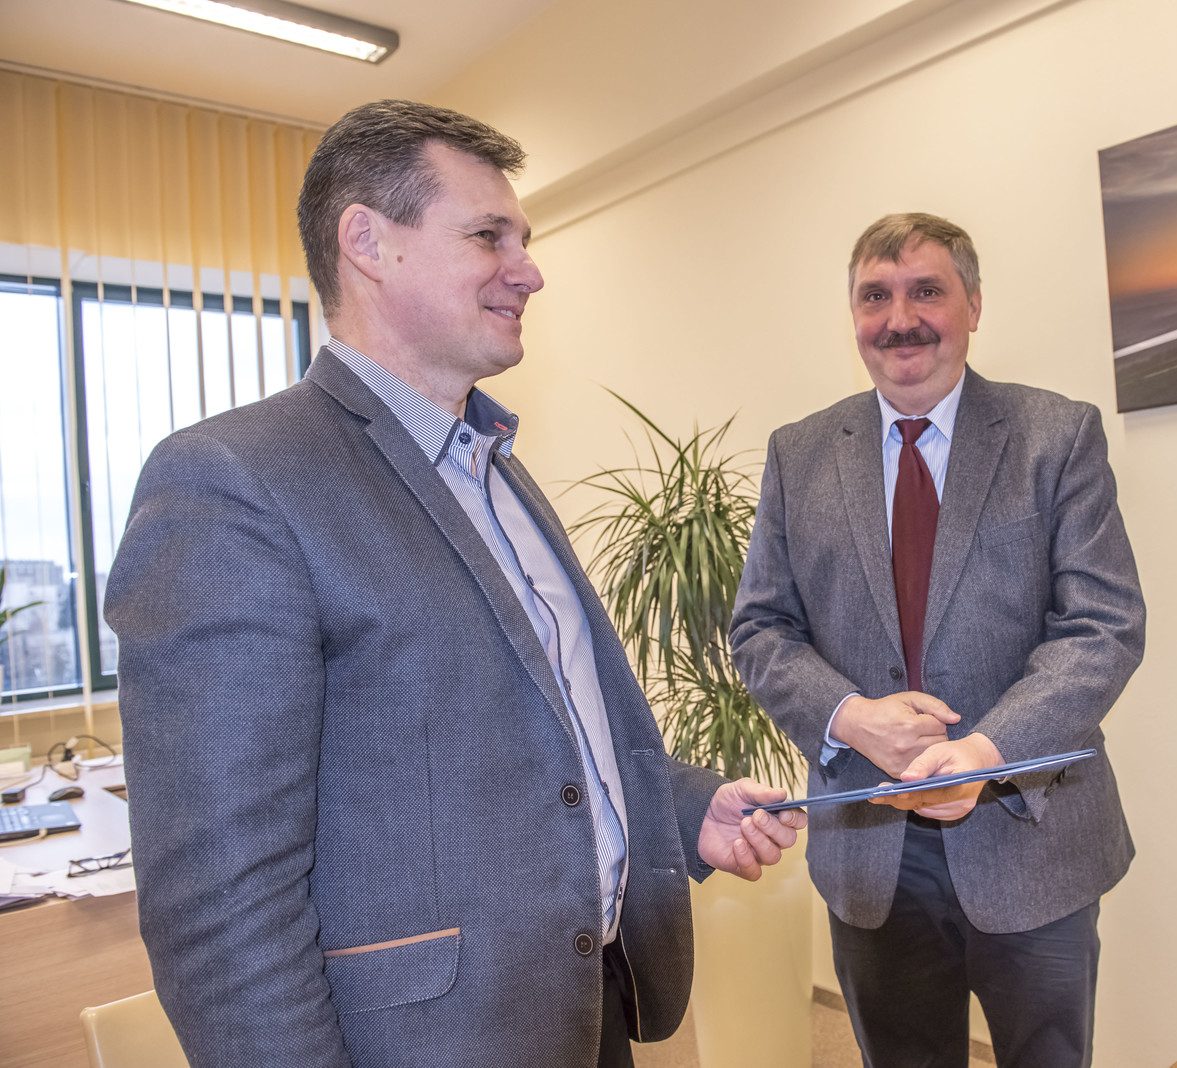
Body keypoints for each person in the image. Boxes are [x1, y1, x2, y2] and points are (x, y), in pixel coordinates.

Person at [105, 100, 804, 1068]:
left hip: (585, 1007)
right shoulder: (233, 480)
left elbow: (537, 733)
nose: (529, 270)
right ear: (368, 243)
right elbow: (221, 900)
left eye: (524, 239)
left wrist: (684, 807)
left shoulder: (493, 465)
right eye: (488, 236)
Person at [729, 213, 1145, 1067]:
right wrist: (851, 716)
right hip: (870, 849)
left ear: (973, 305)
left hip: (1031, 836)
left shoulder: (1056, 436)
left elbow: (1103, 625)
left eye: (926, 291)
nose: (899, 319)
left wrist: (985, 754)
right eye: (874, 296)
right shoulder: (799, 454)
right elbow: (761, 628)